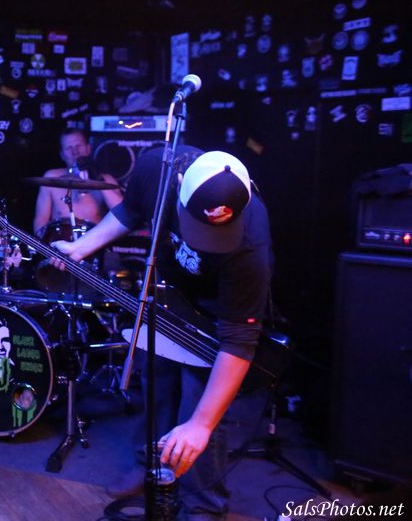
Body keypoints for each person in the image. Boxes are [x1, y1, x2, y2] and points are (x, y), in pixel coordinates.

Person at [52, 146, 272, 520]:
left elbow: (239, 342)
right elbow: (130, 210)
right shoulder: (157, 168)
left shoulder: (252, 243)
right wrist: (81, 247)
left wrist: (201, 424)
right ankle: (150, 467)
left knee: (199, 404)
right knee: (156, 382)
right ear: (180, 184)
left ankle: (204, 503)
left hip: (215, 309)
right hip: (168, 291)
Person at [32, 128, 122, 234]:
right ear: (62, 155)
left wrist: (98, 179)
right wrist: (42, 241)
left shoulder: (106, 179)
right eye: (69, 148)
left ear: (88, 148)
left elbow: (123, 215)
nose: (75, 152)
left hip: (94, 241)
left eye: (78, 146)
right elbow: (41, 219)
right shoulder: (51, 177)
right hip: (60, 241)